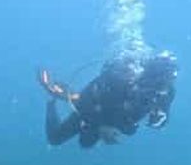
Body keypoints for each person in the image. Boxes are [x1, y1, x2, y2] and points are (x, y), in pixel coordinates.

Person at [38, 50, 178, 148]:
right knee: (56, 139)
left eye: (168, 80)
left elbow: (162, 117)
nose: (163, 85)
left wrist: (160, 119)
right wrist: (101, 127)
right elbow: (87, 101)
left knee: (86, 143)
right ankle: (51, 98)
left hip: (118, 120)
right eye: (160, 79)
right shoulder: (124, 80)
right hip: (94, 108)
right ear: (151, 74)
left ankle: (63, 93)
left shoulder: (166, 92)